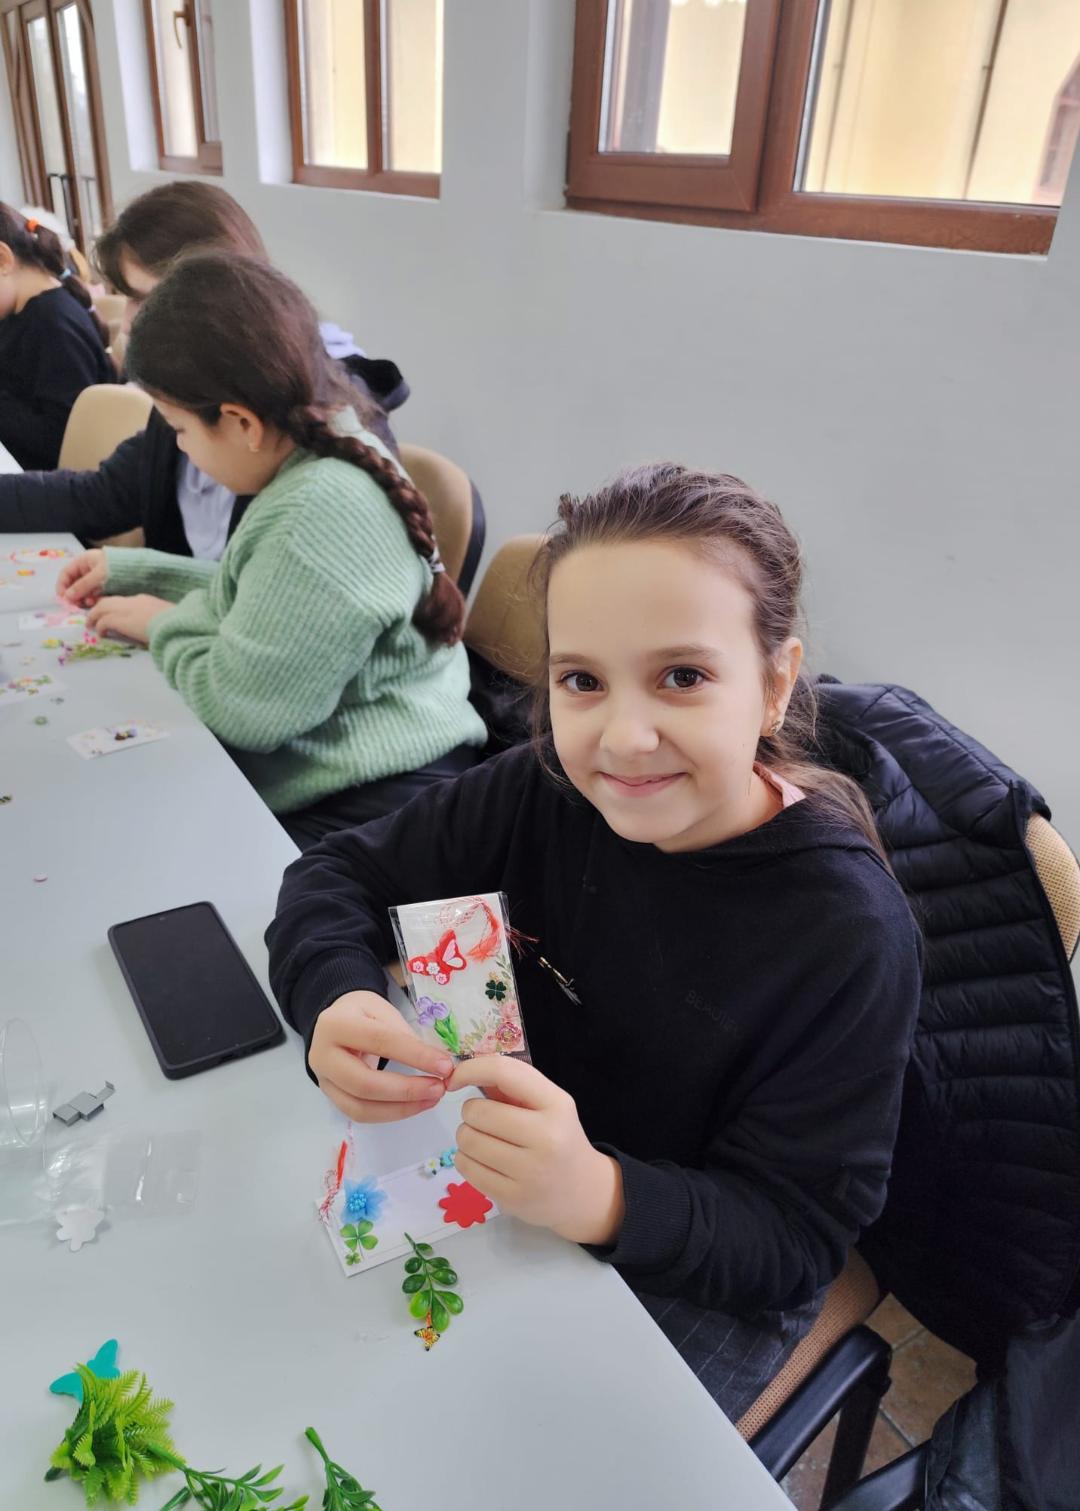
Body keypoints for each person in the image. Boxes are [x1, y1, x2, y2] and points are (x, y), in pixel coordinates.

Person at [266, 463, 923, 1420]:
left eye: (683, 676)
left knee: (508, 1438)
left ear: (775, 684)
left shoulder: (847, 932)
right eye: (581, 680)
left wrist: (602, 1194)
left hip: (694, 1253)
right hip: (512, 1171)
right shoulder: (542, 785)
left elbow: (792, 1237)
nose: (623, 739)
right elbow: (336, 874)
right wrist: (337, 993)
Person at [56, 252, 485, 846]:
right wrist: (137, 573)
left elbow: (243, 711)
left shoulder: (319, 511)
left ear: (241, 423)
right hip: (359, 775)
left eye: (180, 430)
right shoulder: (323, 447)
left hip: (379, 804)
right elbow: (275, 599)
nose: (178, 449)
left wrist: (163, 624)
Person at [0, 181, 407, 551]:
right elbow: (101, 496)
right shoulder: (192, 383)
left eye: (145, 299)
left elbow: (286, 592)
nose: (128, 322)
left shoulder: (323, 415)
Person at [0, 205, 114, 470]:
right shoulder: (20, 313)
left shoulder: (54, 324)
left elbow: (60, 441)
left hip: (43, 478)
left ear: (3, 259)